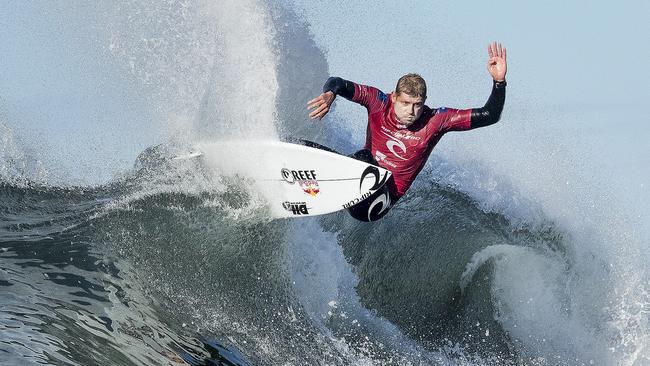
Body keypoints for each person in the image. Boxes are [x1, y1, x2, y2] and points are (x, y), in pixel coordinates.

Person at [307, 42, 507, 222]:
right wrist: (330, 94)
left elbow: (490, 115)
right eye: (406, 103)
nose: (412, 111)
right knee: (356, 156)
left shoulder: (436, 121)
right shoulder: (378, 102)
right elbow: (338, 82)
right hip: (360, 173)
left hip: (379, 202)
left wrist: (499, 82)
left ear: (425, 101)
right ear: (394, 97)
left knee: (363, 159)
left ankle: (320, 184)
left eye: (418, 105)